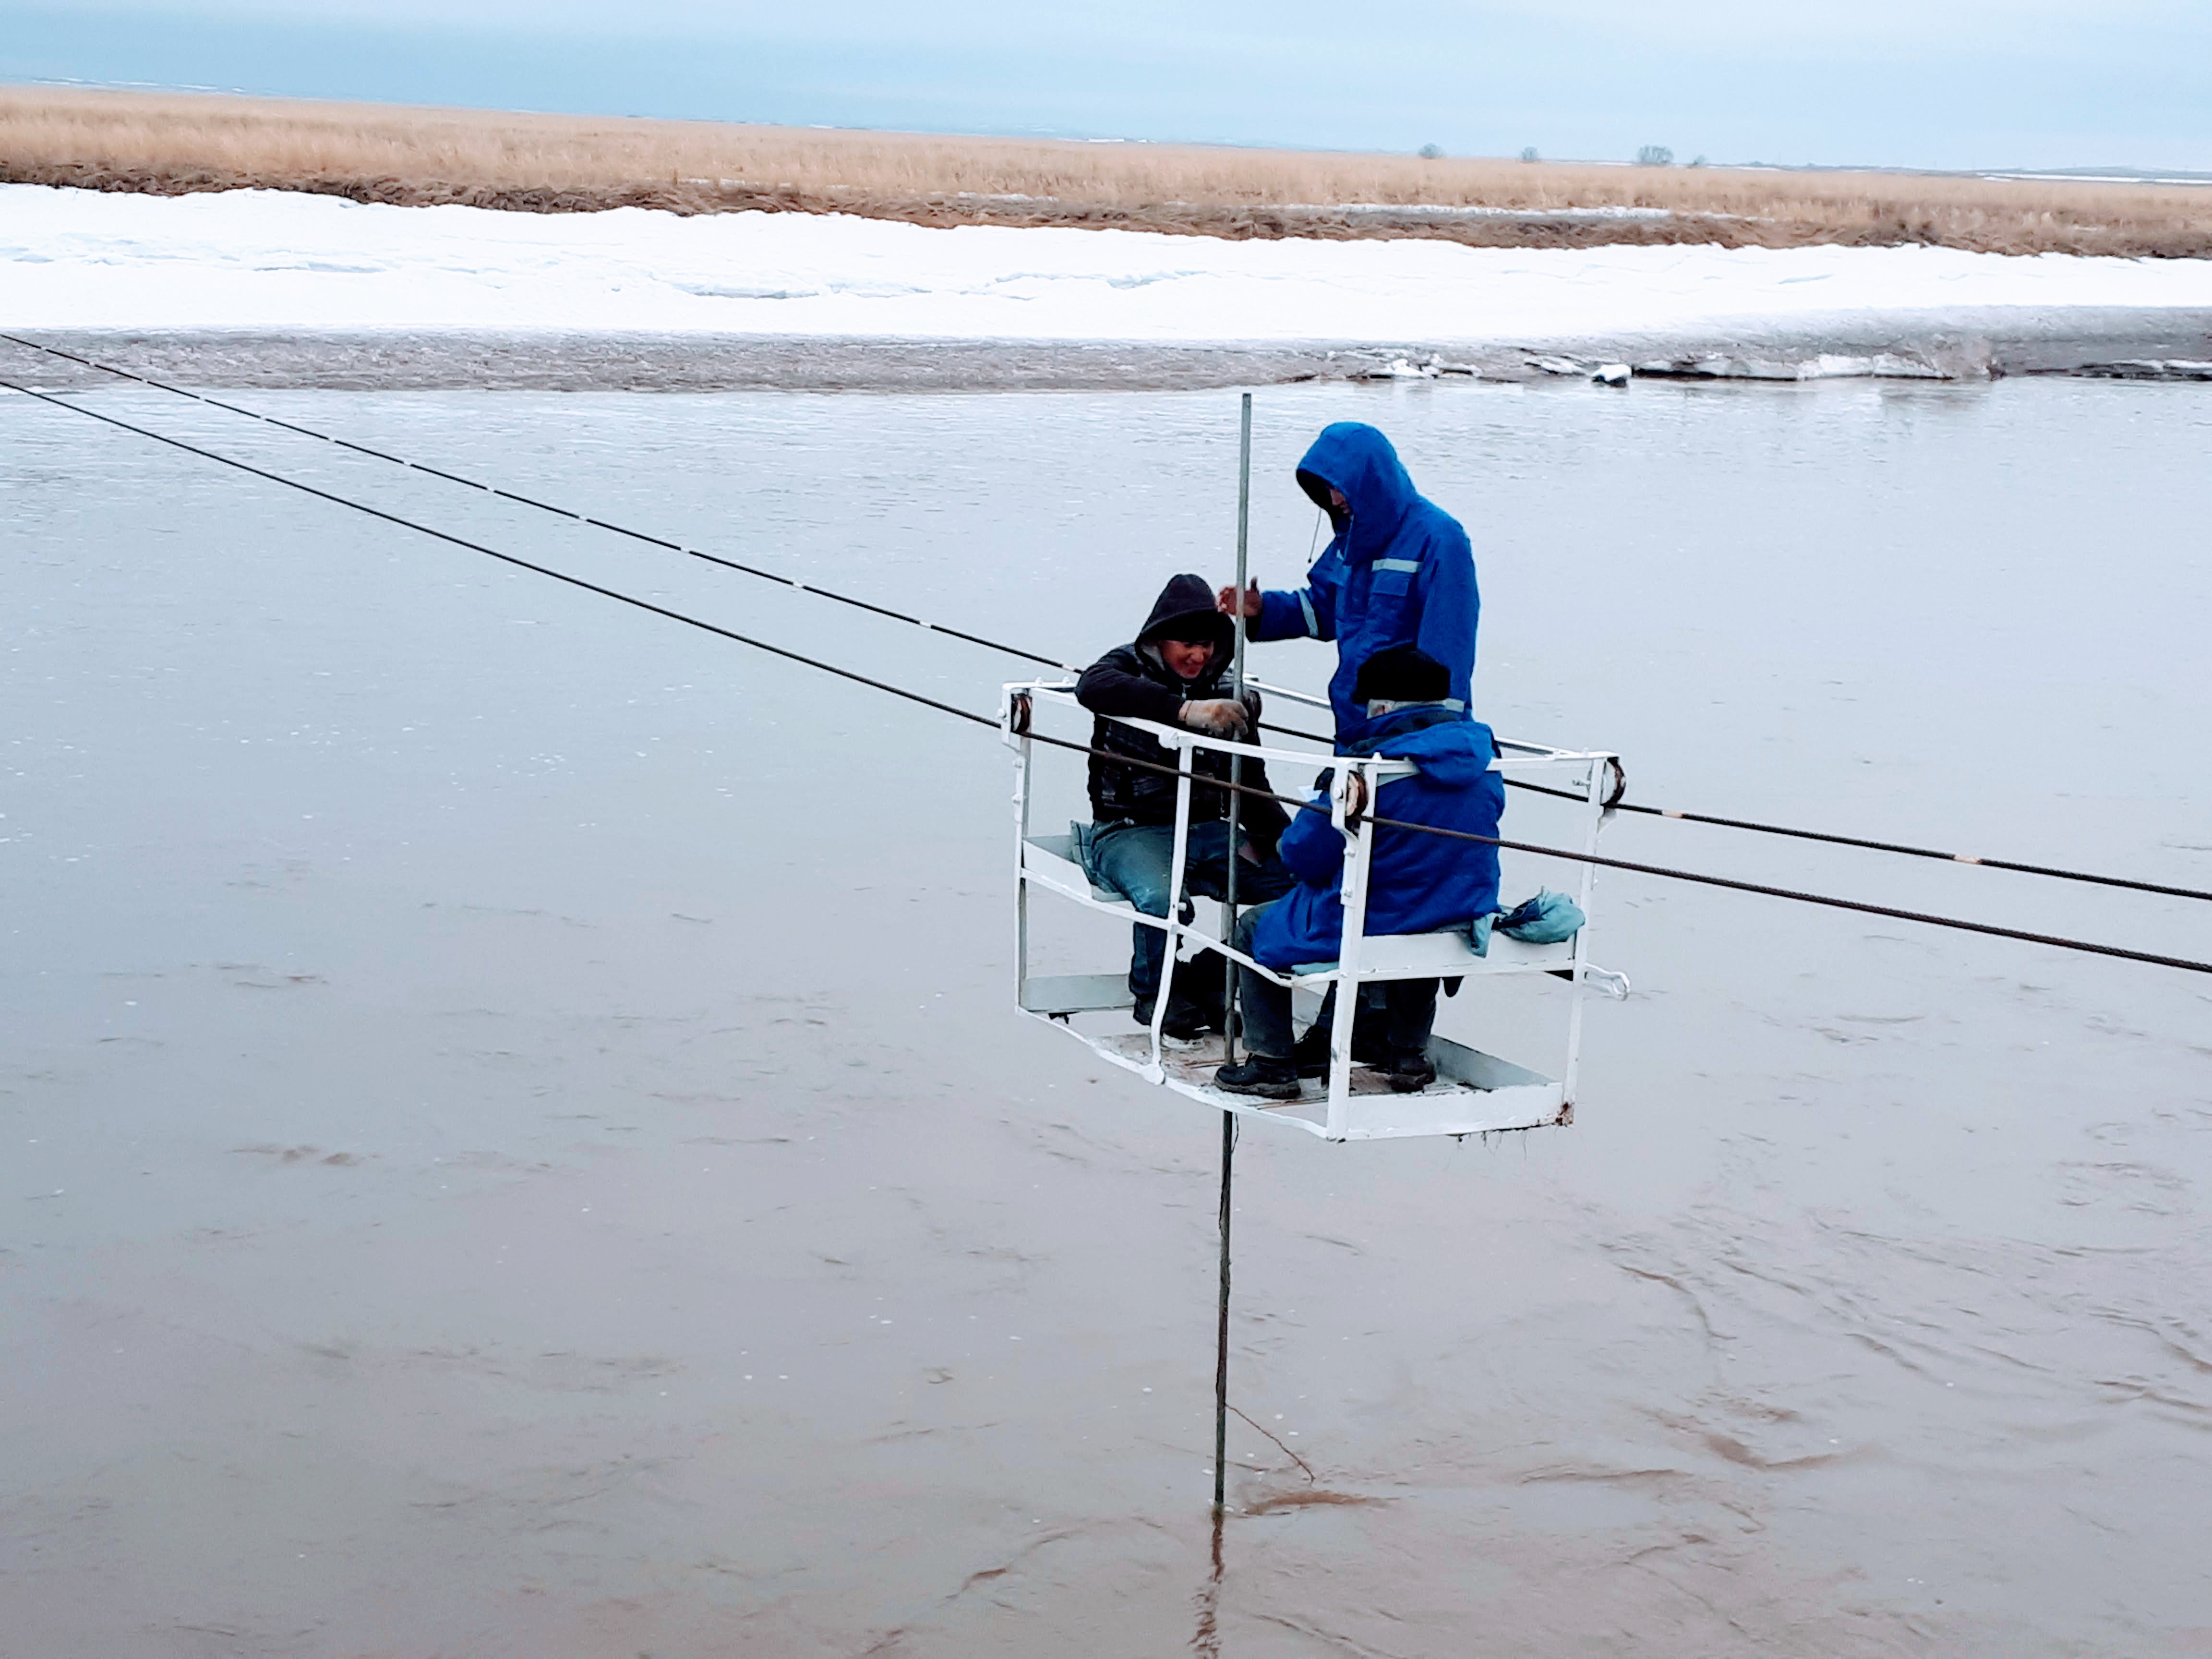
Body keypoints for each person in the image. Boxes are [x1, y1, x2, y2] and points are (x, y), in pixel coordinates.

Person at [1213, 645, 1503, 1100]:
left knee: (1252, 929)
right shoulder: (1487, 763)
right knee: (1424, 922)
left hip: (1377, 916)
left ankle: (1272, 1064)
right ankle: (1407, 1056)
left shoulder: (1366, 769)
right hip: (1462, 909)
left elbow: (1301, 856)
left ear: (1382, 708)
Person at [1076, 574, 1296, 1039]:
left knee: (1294, 890)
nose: (1199, 657)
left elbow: (1251, 781)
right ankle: (1153, 995)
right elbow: (1091, 688)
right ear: (1160, 640)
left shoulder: (1229, 693)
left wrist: (1288, 842)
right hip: (1128, 830)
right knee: (1163, 901)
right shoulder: (1124, 668)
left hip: (1209, 831)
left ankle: (1208, 978)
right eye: (1188, 645)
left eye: (1209, 646)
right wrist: (1183, 711)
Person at [1218, 422, 1478, 738]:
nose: (1334, 499)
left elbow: (1449, 651)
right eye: (1325, 487)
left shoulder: (1441, 539)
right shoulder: (1352, 537)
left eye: (1339, 486)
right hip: (1353, 723)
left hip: (1407, 731)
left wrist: (1436, 739)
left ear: (1371, 481)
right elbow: (1324, 609)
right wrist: (1263, 609)